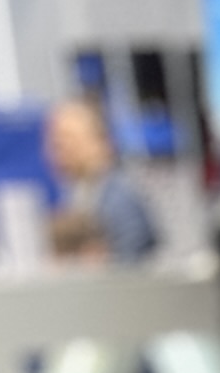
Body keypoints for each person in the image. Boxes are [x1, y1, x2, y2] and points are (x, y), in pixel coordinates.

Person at [42, 95, 160, 266]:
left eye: (68, 139)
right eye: (55, 142)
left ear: (100, 142)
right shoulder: (78, 193)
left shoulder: (120, 198)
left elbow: (133, 264)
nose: (60, 149)